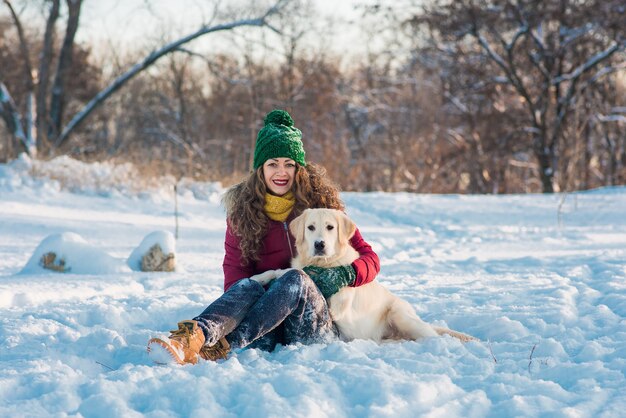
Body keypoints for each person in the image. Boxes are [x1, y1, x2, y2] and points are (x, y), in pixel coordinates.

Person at [147, 109, 380, 365]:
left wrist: (348, 273)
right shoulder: (242, 214)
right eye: (272, 164)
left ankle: (225, 345)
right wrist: (270, 295)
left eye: (289, 164)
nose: (281, 172)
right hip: (263, 328)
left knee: (295, 279)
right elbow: (234, 281)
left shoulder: (322, 207)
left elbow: (370, 258)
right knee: (247, 285)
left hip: (316, 325)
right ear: (260, 169)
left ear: (299, 169)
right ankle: (192, 338)